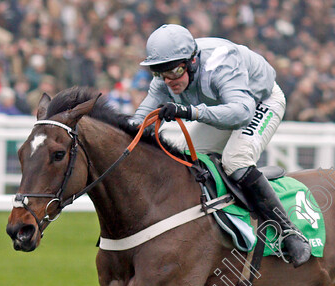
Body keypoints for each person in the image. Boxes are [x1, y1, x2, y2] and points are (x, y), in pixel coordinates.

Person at [132, 24, 311, 267]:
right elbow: (140, 122)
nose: (168, 80)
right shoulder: (166, 78)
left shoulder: (221, 63)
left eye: (174, 71)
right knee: (185, 159)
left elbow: (242, 113)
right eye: (159, 72)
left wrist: (189, 111)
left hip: (258, 103)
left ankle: (289, 231)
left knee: (235, 161)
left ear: (192, 62)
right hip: (221, 106)